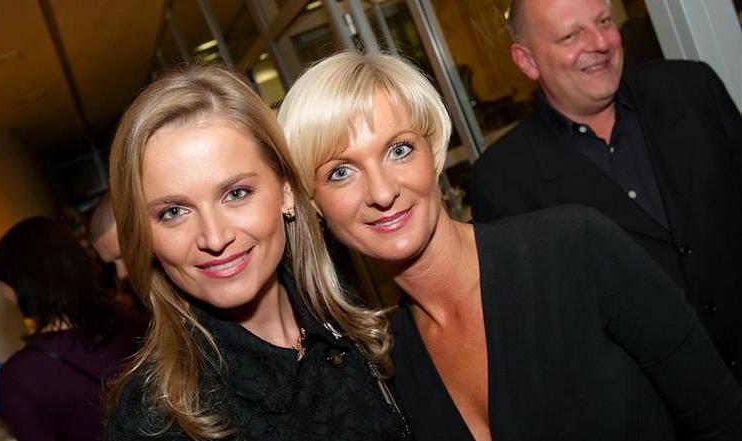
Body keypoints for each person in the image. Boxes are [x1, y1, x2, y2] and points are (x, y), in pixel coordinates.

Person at [277, 50, 742, 440]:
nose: (381, 192)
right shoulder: (385, 364)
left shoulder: (574, 250)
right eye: (341, 172)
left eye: (399, 150)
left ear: (432, 151)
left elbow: (723, 418)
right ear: (312, 202)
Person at [104, 65, 410, 441]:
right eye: (173, 212)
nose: (214, 237)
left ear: (285, 191)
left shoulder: (353, 328)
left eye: (236, 194)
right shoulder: (151, 420)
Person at [465, 0, 742, 383]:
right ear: (527, 61)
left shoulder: (692, 89)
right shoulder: (502, 184)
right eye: (570, 35)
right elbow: (546, 338)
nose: (600, 42)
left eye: (604, 21)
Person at [0, 216, 144, 441]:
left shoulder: (18, 378)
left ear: (21, 285)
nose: (1, 291)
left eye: (1, 280)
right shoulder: (132, 320)